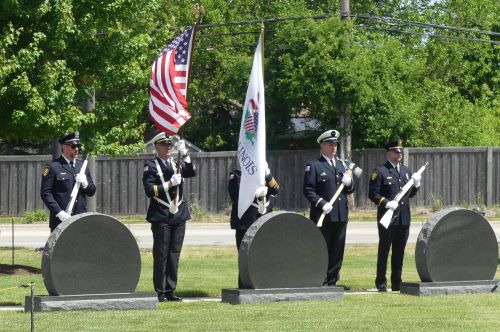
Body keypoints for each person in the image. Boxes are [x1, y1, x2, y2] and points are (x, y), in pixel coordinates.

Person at [142, 132, 196, 302]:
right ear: (157, 147)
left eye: (170, 144)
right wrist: (169, 184)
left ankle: (170, 289)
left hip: (179, 214)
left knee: (174, 254)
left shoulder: (176, 163)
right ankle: (160, 291)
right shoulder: (150, 166)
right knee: (161, 254)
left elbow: (191, 171)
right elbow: (150, 190)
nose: (168, 147)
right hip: (161, 214)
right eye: (165, 144)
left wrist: (185, 154)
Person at [303, 129, 355, 286]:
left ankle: (333, 280)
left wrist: (350, 183)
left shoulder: (342, 165)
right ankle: (321, 280)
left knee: (338, 249)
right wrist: (321, 203)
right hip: (323, 216)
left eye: (335, 144)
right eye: (330, 144)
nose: (334, 147)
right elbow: (308, 190)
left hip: (340, 214)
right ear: (322, 145)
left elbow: (350, 190)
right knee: (322, 248)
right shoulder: (314, 166)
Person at [368, 139, 421, 292]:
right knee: (384, 250)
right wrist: (386, 203)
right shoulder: (380, 171)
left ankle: (397, 283)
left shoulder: (405, 171)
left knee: (399, 251)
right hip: (387, 217)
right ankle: (381, 283)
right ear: (388, 153)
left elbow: (409, 194)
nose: (399, 153)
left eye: (401, 151)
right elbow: (373, 194)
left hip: (403, 217)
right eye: (396, 151)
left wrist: (416, 185)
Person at [227, 167, 280, 287]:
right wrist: (254, 193)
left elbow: (276, 190)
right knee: (246, 258)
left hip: (264, 220)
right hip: (245, 223)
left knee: (264, 255)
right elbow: (235, 195)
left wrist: (268, 174)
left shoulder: (264, 174)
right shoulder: (237, 175)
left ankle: (263, 284)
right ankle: (245, 287)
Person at [40, 132, 96, 232]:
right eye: (74, 146)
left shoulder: (82, 166)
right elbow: (45, 193)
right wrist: (59, 213)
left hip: (80, 218)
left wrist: (85, 183)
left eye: (78, 146)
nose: (77, 149)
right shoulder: (53, 167)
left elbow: (91, 191)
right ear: (64, 146)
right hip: (60, 219)